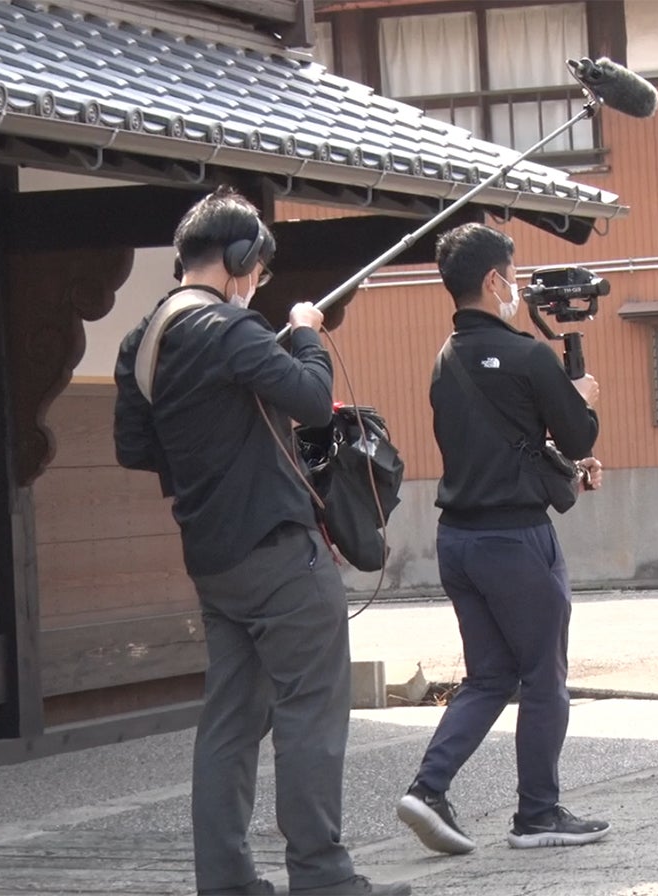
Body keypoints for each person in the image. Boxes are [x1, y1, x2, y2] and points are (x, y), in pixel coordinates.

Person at [113, 187, 408, 896]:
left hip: (213, 560)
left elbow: (133, 448)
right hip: (279, 552)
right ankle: (322, 876)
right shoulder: (231, 329)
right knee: (311, 709)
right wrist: (304, 332)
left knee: (230, 723)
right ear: (241, 259)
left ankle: (226, 880)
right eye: (260, 271)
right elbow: (312, 400)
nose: (258, 284)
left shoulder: (142, 341)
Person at [395, 222, 610, 855]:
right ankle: (537, 815)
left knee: (490, 676)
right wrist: (580, 397)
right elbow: (579, 434)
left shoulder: (445, 359)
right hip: (516, 539)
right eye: (513, 276)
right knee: (543, 677)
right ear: (494, 280)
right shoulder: (528, 355)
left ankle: (428, 789)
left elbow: (502, 443)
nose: (518, 288)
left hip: (458, 539)